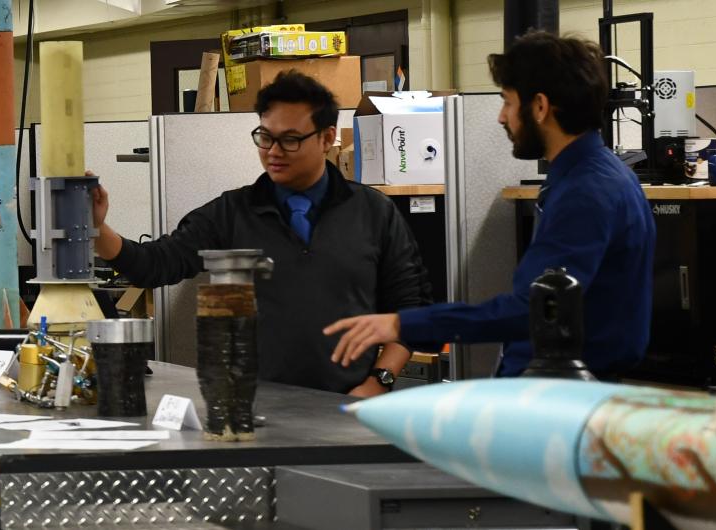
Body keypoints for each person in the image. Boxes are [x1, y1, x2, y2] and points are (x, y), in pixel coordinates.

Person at [326, 32, 655, 380]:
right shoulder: (597, 176)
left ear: (540, 107)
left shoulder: (587, 191)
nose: (501, 117)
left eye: (508, 102)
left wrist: (402, 323)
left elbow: (534, 310)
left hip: (561, 395)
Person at [91, 71, 434, 397]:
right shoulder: (232, 212)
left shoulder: (374, 212)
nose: (273, 152)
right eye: (265, 137)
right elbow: (155, 264)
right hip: (254, 408)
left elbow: (411, 308)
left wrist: (379, 381)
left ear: (327, 137)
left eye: (290, 140)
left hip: (349, 405)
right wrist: (97, 229)